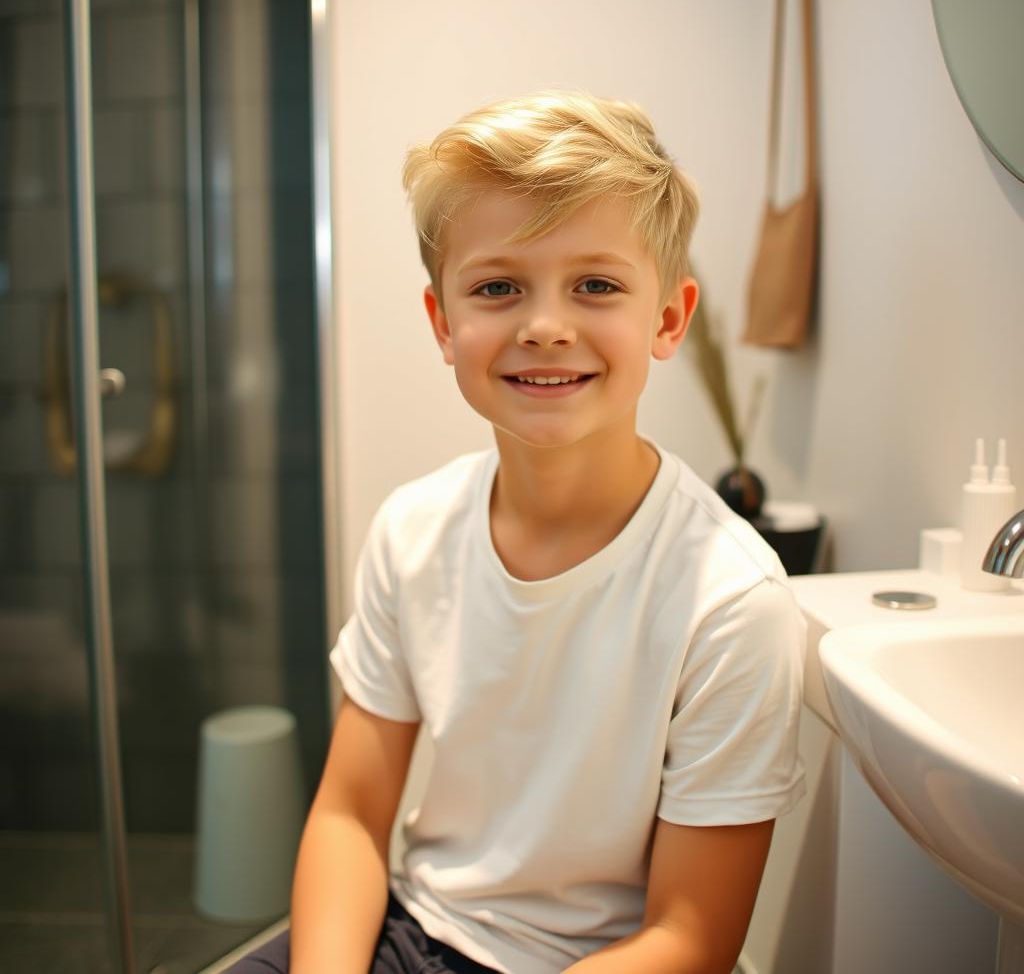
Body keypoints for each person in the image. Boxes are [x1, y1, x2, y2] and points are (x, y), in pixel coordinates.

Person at [233, 89, 806, 974]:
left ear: (668, 318)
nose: (545, 326)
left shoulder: (731, 600)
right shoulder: (413, 532)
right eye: (498, 287)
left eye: (597, 285)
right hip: (416, 932)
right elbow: (348, 814)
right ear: (444, 324)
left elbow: (690, 938)